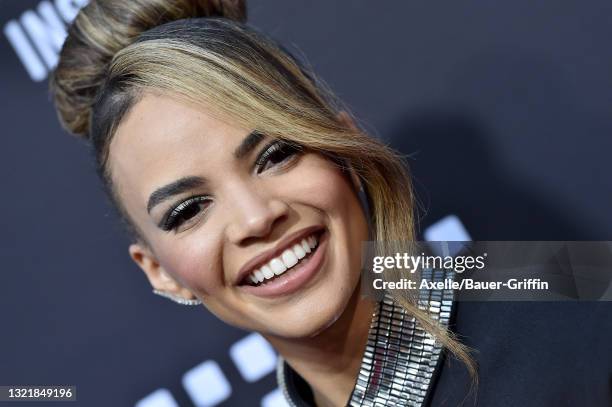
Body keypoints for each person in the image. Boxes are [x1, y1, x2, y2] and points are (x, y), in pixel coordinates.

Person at [49, 1, 610, 406]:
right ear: (159, 272)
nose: (255, 216)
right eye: (187, 210)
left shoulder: (580, 310)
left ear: (343, 148)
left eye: (275, 154)